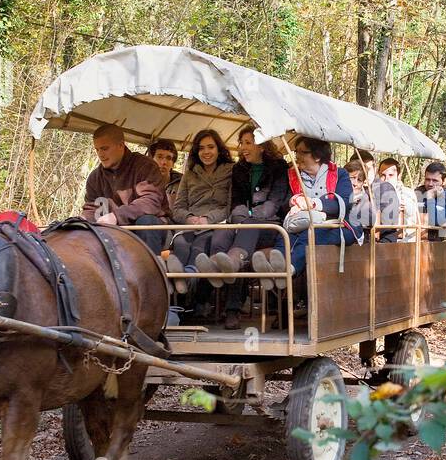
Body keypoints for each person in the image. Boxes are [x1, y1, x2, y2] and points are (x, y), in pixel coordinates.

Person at [195, 125, 291, 329]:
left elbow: (274, 202)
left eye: (249, 143)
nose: (243, 148)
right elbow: (236, 200)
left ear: (262, 146)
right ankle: (218, 266)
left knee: (245, 235)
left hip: (270, 226)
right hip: (242, 222)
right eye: (242, 143)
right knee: (221, 235)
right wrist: (241, 216)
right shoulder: (240, 169)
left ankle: (232, 309)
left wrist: (248, 217)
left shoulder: (279, 167)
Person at [254, 137, 359, 297]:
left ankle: (288, 270)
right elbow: (281, 203)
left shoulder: (339, 174)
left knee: (312, 234)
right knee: (285, 234)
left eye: (302, 152)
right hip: (301, 221)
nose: (297, 156)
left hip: (338, 224)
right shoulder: (291, 174)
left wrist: (313, 203)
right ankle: (276, 271)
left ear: (317, 156)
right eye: (296, 152)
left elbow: (344, 203)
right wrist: (294, 200)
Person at [166, 129, 233, 299]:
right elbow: (178, 207)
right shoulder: (190, 174)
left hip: (216, 223)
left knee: (201, 244)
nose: (206, 152)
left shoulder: (231, 171)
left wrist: (208, 219)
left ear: (219, 149)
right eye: (201, 148)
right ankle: (174, 287)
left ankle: (186, 281)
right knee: (180, 243)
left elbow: (230, 206)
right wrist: (189, 218)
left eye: (211, 147)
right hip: (190, 223)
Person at [80, 123, 168, 252]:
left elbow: (151, 202)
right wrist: (81, 220)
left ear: (121, 145)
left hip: (152, 228)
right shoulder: (95, 178)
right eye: (97, 150)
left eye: (104, 148)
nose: (100, 154)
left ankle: (154, 269)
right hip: (114, 229)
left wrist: (116, 216)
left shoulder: (145, 166)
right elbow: (94, 208)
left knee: (146, 222)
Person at [349, 150, 400, 243]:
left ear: (374, 168)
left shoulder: (385, 188)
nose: (365, 172)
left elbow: (389, 229)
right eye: (360, 168)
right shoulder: (347, 187)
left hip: (378, 245)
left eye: (368, 168)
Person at [379, 157, 420, 242]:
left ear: (398, 176)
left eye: (391, 175)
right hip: (382, 239)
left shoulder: (407, 194)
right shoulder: (374, 193)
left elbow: (413, 220)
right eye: (383, 175)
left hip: (407, 241)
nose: (386, 179)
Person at [416, 161, 446, 240]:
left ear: (444, 181)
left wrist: (430, 198)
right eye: (427, 179)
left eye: (435, 180)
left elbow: (438, 221)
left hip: (437, 244)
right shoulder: (418, 192)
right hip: (415, 239)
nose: (430, 184)